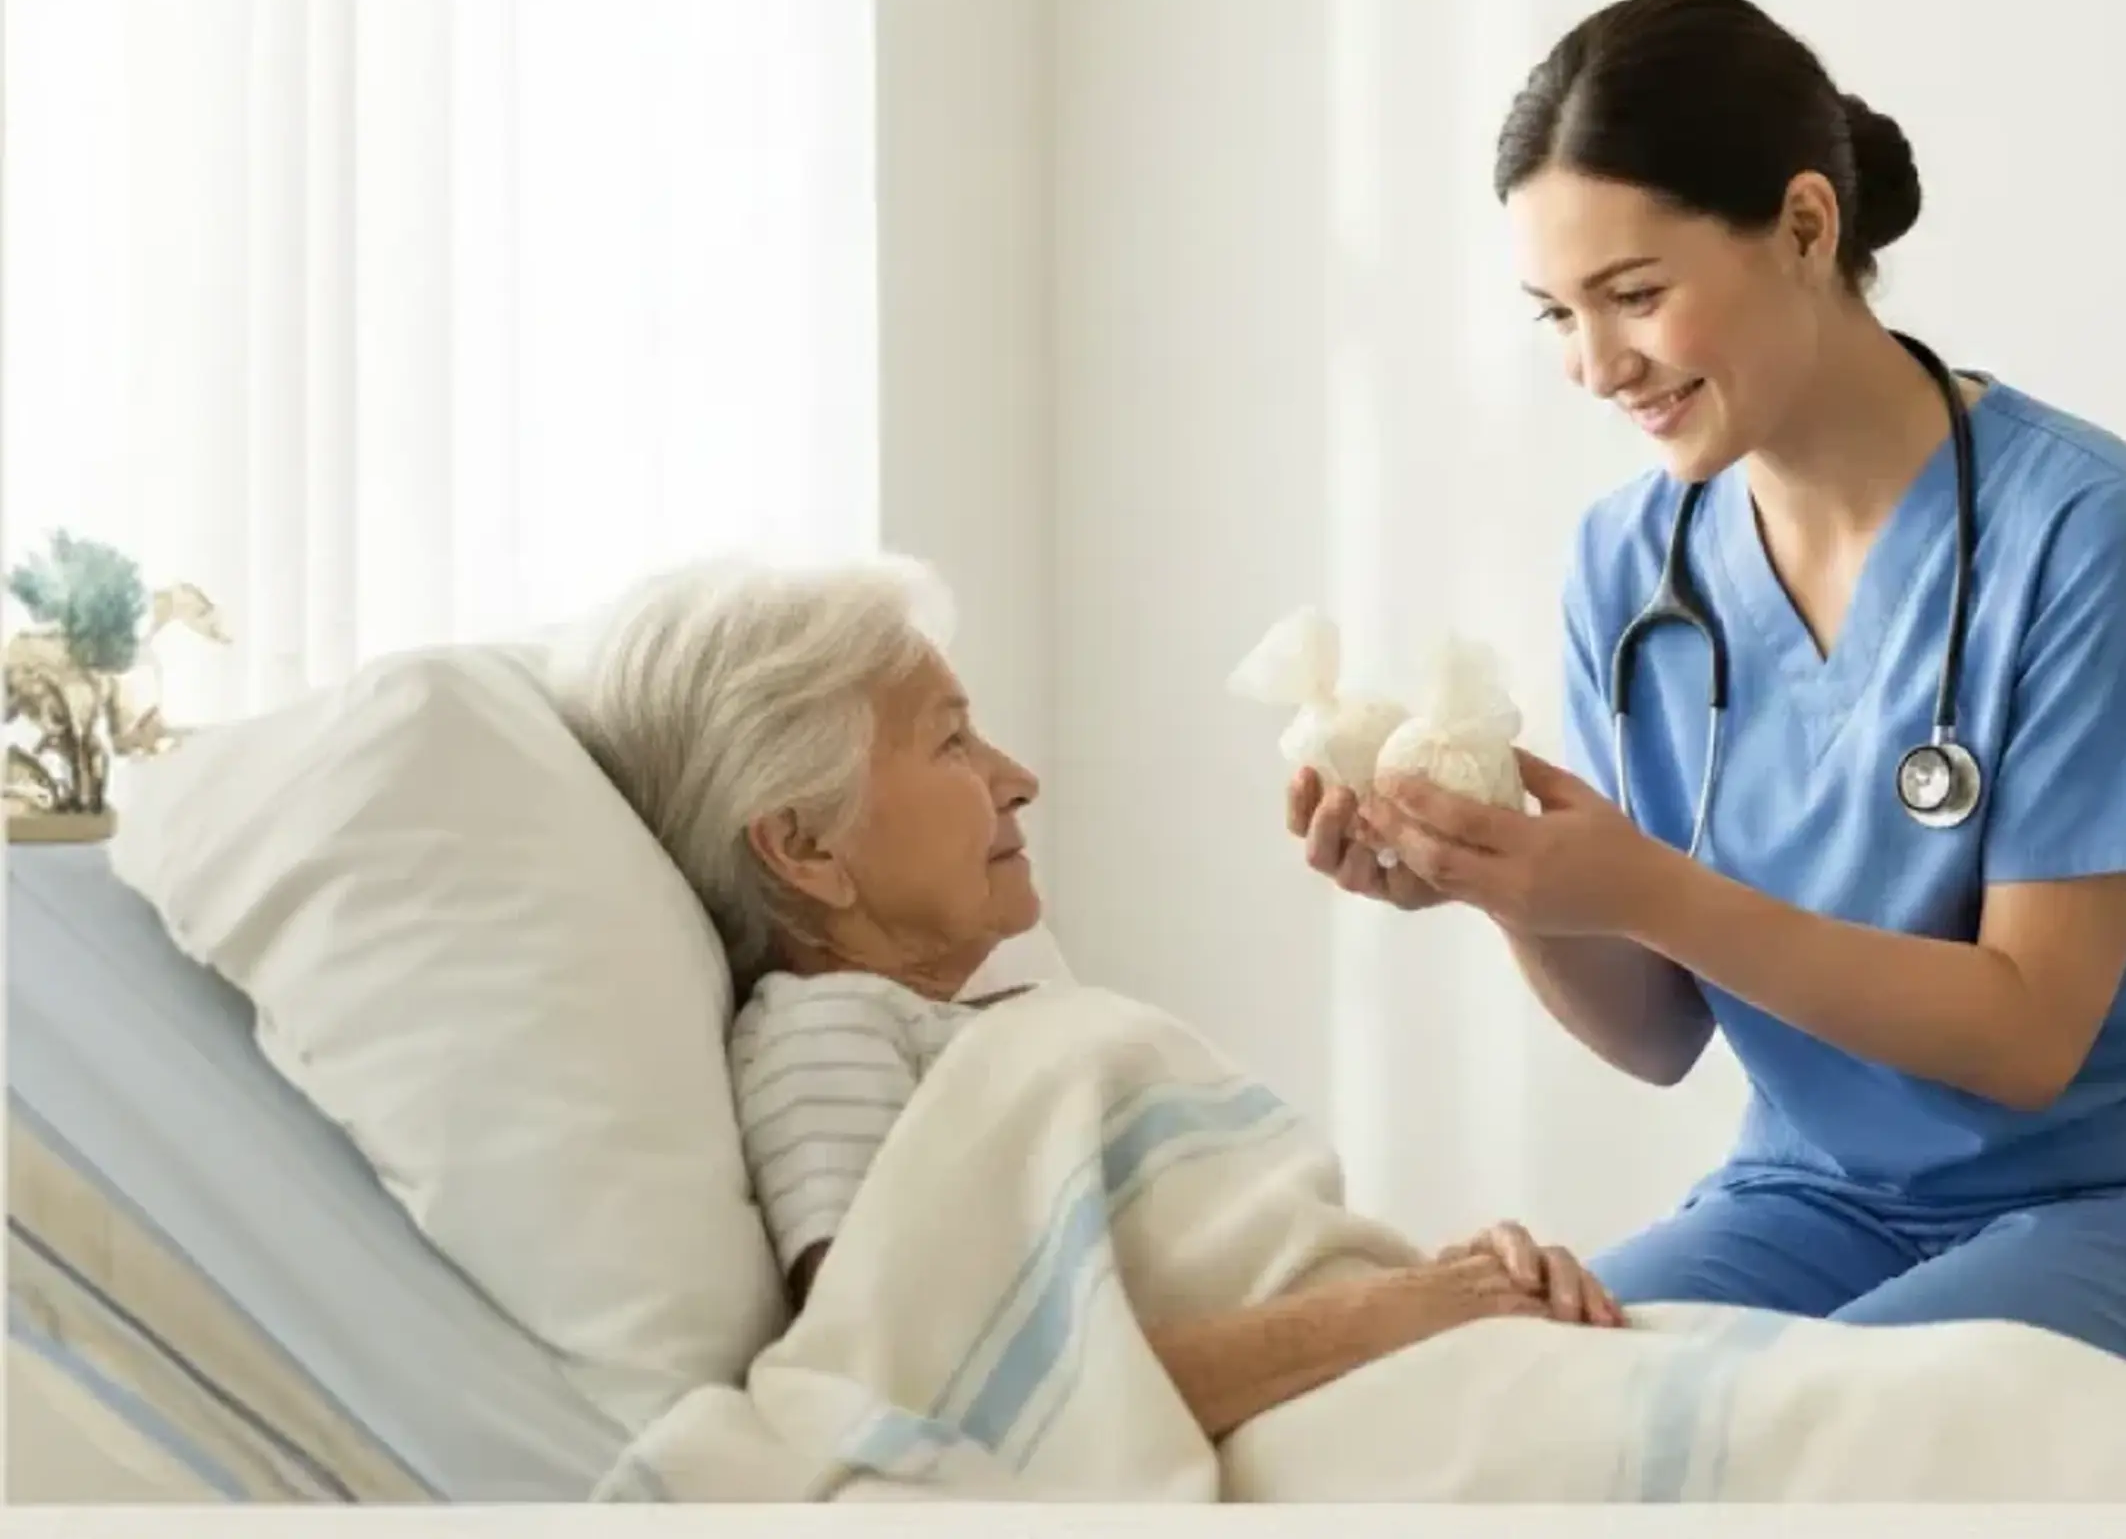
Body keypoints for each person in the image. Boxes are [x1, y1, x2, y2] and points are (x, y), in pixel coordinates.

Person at [1297, 0, 2126, 1407]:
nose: (1595, 363)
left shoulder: (2086, 531)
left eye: (1635, 295)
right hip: (1819, 1200)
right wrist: (1500, 875)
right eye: (1556, 313)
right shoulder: (1631, 563)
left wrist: (1639, 883)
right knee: (1508, 1398)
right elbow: (1657, 1033)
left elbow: (2023, 1034)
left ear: (1808, 227)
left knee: (1807, 1437)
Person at [551, 554, 1625, 1441]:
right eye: (952, 740)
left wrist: (1460, 1283)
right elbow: (961, 1398)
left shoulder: (981, 1032)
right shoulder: (824, 1037)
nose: (1018, 776)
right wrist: (1413, 1309)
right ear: (803, 844)